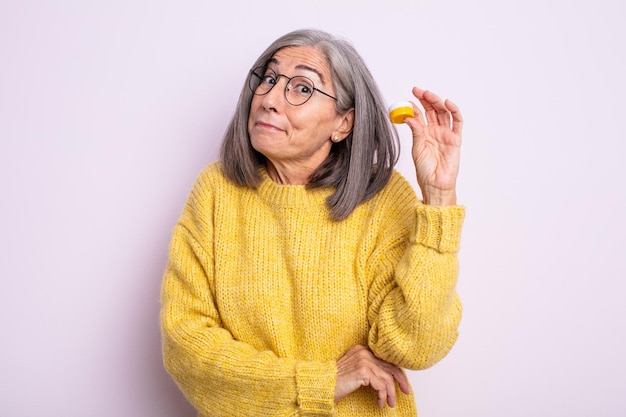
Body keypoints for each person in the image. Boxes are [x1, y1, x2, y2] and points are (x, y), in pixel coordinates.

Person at [160, 28, 465, 417]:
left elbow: (415, 345)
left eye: (302, 88)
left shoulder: (383, 199)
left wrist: (439, 200)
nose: (269, 99)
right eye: (268, 79)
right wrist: (320, 383)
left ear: (344, 123)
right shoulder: (217, 191)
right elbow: (185, 345)